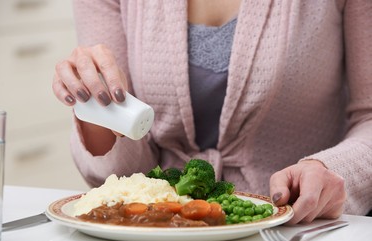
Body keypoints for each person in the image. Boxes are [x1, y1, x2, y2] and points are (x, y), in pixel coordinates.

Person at [52, 0, 372, 224]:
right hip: (157, 231)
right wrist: (96, 111)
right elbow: (123, 170)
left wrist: (330, 170)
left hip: (296, 234)